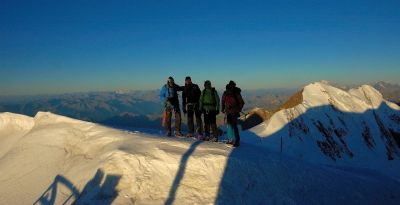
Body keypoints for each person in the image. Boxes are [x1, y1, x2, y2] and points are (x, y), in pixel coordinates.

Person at [222, 80, 245, 147]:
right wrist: (237, 109)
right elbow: (242, 103)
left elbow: (223, 101)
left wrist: (223, 109)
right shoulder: (236, 92)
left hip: (230, 112)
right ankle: (236, 141)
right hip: (233, 112)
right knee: (234, 127)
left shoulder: (227, 92)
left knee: (230, 126)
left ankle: (230, 140)